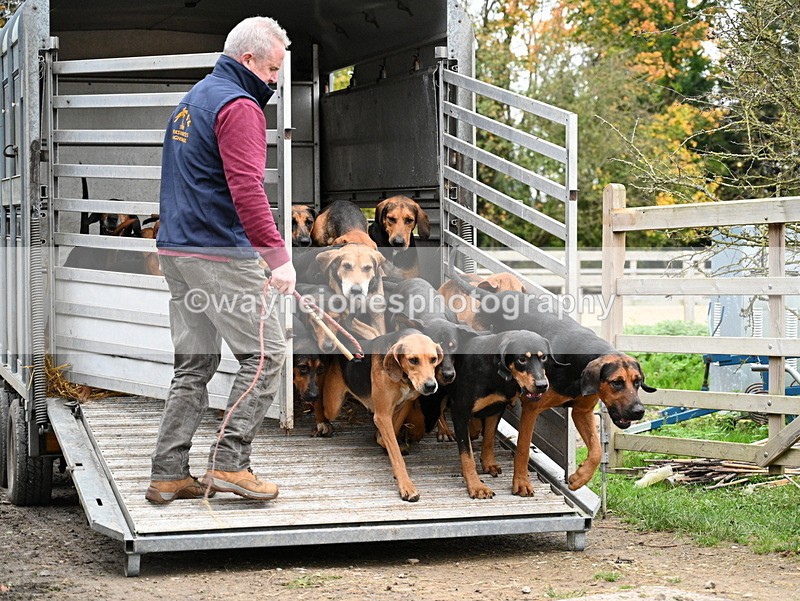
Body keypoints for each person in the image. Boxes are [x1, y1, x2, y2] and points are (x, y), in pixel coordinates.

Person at [145, 16, 296, 504]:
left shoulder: (193, 101)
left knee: (194, 365)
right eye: (272, 70)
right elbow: (248, 188)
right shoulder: (240, 106)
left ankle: (168, 473)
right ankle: (231, 465)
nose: (274, 80)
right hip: (217, 253)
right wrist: (278, 258)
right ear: (248, 60)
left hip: (177, 250)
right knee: (266, 355)